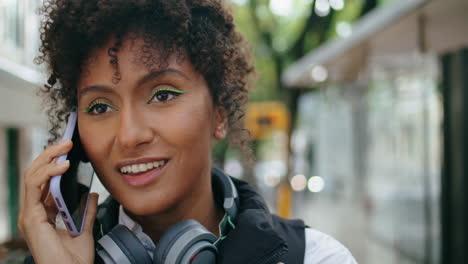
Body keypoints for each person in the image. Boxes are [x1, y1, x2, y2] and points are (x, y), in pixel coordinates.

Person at [18, 0, 357, 263]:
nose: (129, 135)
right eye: (100, 107)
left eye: (162, 95)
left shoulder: (315, 258)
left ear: (219, 114)